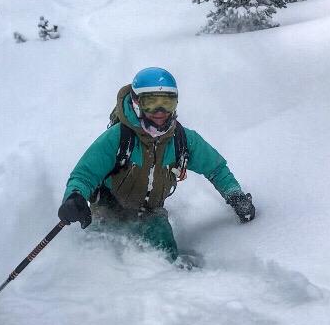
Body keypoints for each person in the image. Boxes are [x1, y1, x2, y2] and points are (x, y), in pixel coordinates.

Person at [58, 67, 255, 263]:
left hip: (150, 212)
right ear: (137, 103)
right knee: (101, 257)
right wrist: (74, 196)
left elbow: (216, 168)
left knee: (165, 258)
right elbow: (84, 174)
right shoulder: (118, 137)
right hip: (109, 207)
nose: (160, 112)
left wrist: (234, 195)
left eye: (167, 103)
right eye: (151, 102)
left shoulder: (182, 139)